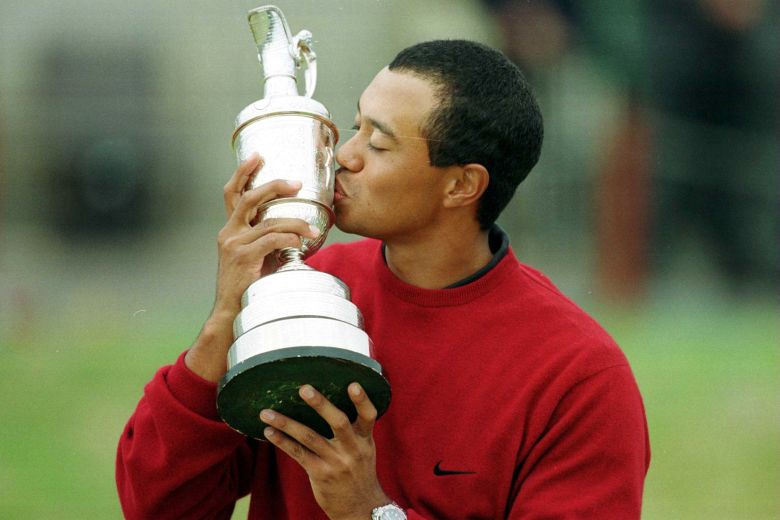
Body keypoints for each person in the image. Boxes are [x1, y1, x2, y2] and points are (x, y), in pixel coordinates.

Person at [116, 40, 650, 519]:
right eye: (355, 127)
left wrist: (367, 510)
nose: (343, 157)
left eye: (378, 144)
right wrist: (228, 317)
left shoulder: (577, 375)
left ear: (462, 185)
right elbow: (157, 507)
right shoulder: (309, 292)